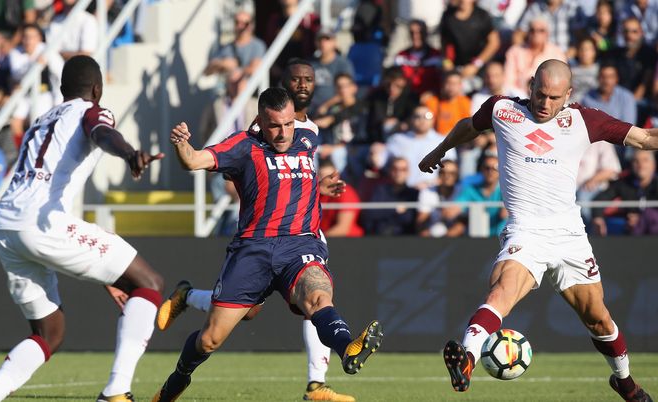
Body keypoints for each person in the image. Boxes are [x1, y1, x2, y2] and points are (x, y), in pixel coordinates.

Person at [419, 59, 654, 401]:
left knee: (599, 319)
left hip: (569, 234)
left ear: (568, 95)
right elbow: (468, 126)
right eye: (540, 94)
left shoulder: (584, 120)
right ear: (530, 86)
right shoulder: (502, 109)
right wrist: (439, 150)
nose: (545, 104)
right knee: (502, 291)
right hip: (525, 230)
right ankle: (467, 357)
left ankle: (624, 381)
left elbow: (645, 138)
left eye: (554, 97)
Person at [152, 87, 383, 402]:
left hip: (300, 244)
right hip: (254, 251)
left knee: (318, 296)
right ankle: (176, 382)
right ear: (260, 120)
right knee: (209, 340)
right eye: (275, 125)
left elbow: (291, 180)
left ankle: (347, 349)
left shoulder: (307, 138)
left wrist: (317, 187)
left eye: (288, 124)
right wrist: (182, 145)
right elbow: (193, 162)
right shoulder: (243, 146)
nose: (284, 132)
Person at [0, 55, 165, 402]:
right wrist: (128, 154)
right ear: (97, 89)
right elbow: (102, 132)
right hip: (40, 222)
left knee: (50, 332)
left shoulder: (42, 119)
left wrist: (106, 273)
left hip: (3, 224)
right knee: (150, 284)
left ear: (62, 89)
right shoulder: (92, 109)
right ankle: (116, 392)